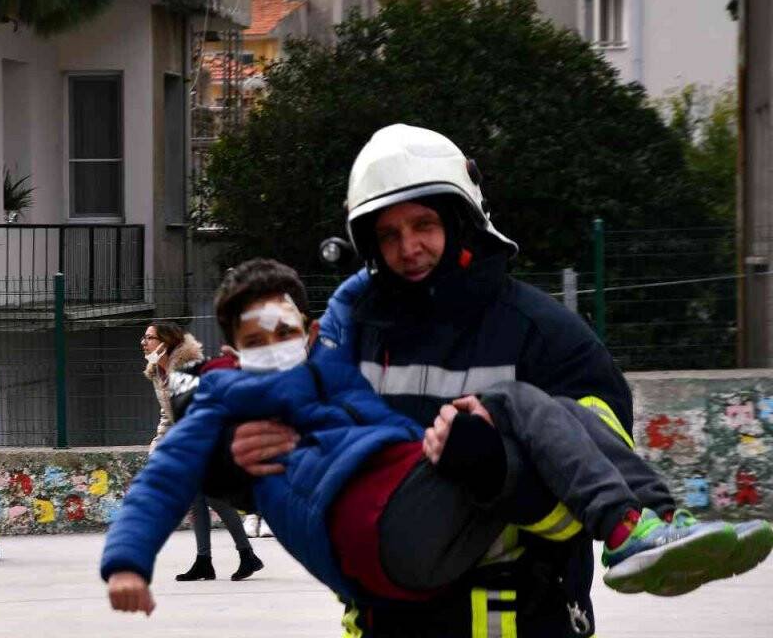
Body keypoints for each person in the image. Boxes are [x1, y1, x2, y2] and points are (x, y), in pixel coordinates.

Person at [225, 124, 773, 636]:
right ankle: (648, 526)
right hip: (385, 613)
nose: (408, 248)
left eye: (423, 225)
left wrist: (496, 470)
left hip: (519, 617)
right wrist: (238, 472)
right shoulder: (355, 334)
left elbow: (590, 471)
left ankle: (658, 522)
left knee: (524, 406)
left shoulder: (544, 332)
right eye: (389, 234)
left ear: (459, 221)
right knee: (514, 402)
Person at [101, 259, 768, 620]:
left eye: (284, 334)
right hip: (385, 531)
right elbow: (161, 480)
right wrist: (127, 562)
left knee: (547, 413)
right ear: (232, 352)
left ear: (306, 332)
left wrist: (435, 445)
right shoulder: (222, 397)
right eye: (255, 343)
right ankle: (630, 528)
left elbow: (380, 426)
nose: (273, 352)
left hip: (415, 540)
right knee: (511, 399)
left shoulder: (329, 369)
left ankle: (662, 521)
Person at [142, 321, 262, 581]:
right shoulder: (157, 372)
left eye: (150, 338)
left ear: (166, 343)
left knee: (214, 496)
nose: (144, 342)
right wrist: (158, 446)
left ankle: (245, 555)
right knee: (198, 499)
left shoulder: (187, 371)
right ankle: (207, 560)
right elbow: (168, 415)